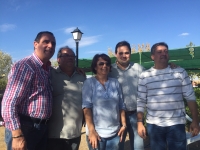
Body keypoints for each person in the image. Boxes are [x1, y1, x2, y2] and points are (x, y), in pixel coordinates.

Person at [137, 42, 200, 150]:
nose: (163, 54)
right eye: (159, 52)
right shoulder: (144, 76)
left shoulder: (180, 72)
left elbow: (190, 97)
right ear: (152, 56)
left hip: (176, 124)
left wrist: (195, 120)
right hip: (154, 125)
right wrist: (139, 122)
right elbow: (141, 100)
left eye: (166, 51)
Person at [1, 31, 56, 150]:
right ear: (35, 44)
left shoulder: (46, 69)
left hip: (41, 128)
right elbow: (9, 103)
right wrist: (17, 135)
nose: (50, 46)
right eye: (46, 42)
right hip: (25, 128)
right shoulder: (26, 66)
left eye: (53, 43)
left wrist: (75, 69)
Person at [82, 53, 126, 150]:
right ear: (95, 66)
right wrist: (92, 131)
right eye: (101, 64)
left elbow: (121, 105)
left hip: (115, 133)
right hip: (97, 134)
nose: (104, 66)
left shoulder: (115, 83)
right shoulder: (89, 83)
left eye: (107, 64)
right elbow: (86, 108)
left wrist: (123, 124)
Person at [47, 46, 86, 150]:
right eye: (66, 55)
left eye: (72, 56)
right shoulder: (50, 74)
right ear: (58, 59)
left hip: (74, 133)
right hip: (53, 133)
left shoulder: (82, 76)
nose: (70, 58)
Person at [109, 41, 145, 150]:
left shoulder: (139, 68)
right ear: (116, 54)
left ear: (130, 53)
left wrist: (170, 66)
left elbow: (153, 77)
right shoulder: (109, 70)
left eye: (127, 53)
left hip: (136, 115)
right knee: (118, 146)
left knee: (139, 147)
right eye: (121, 53)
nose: (124, 56)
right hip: (117, 117)